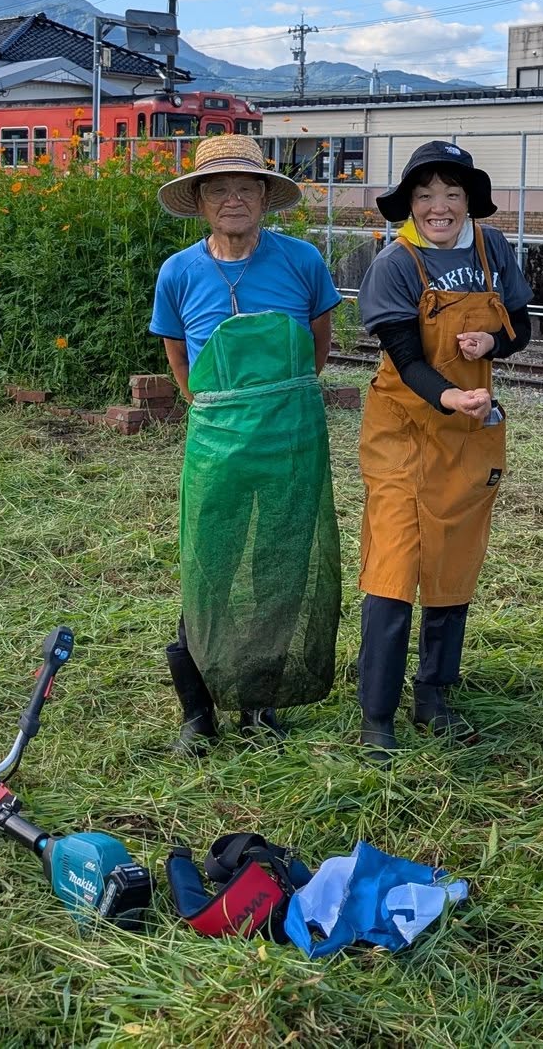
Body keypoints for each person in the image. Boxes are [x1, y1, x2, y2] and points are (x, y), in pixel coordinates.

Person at [149, 135, 343, 755]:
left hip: (291, 438)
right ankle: (198, 712)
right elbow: (177, 353)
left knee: (279, 566)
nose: (233, 198)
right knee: (211, 566)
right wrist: (206, 402)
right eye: (218, 188)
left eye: (245, 186)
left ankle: (260, 705)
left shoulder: (302, 261)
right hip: (216, 444)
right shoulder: (178, 272)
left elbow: (317, 347)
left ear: (265, 196)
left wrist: (279, 401)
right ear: (200, 200)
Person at [355, 141, 533, 758]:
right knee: (395, 564)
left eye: (452, 194)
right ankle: (376, 713)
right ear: (409, 203)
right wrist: (448, 397)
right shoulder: (397, 262)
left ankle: (435, 694)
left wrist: (494, 344)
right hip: (404, 429)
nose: (439, 206)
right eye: (426, 195)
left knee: (453, 563)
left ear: (468, 202)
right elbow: (405, 357)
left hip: (468, 432)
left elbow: (522, 325)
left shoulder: (493, 250)